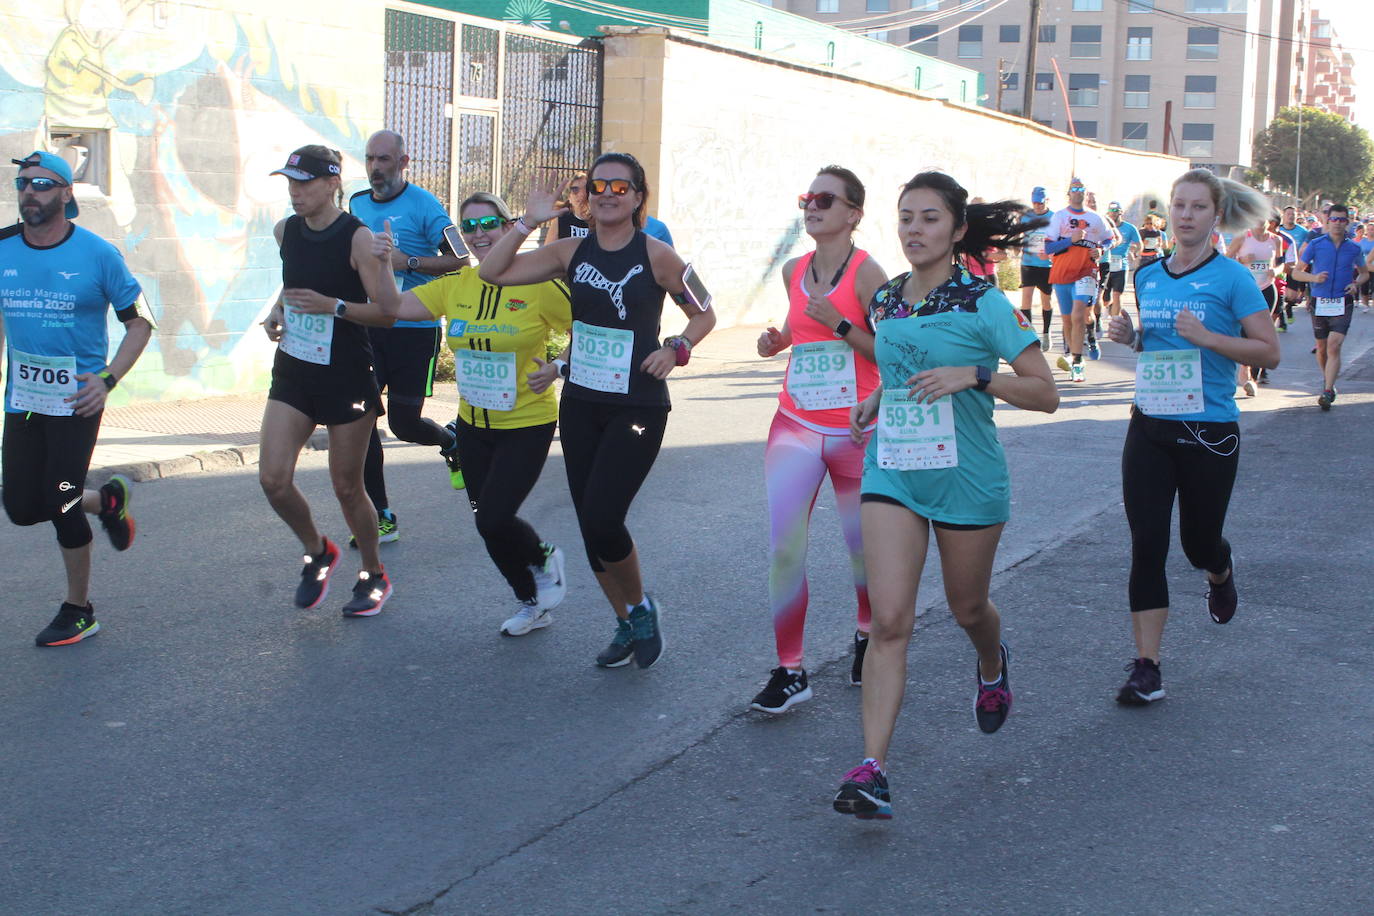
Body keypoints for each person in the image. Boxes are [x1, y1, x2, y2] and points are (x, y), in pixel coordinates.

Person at [832, 172, 1058, 819]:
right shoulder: (888, 300)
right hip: (895, 469)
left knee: (967, 608)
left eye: (929, 218)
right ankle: (873, 768)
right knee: (888, 620)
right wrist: (879, 396)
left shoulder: (985, 303)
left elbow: (1045, 393)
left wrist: (977, 376)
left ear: (958, 230)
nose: (913, 229)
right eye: (906, 217)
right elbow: (900, 365)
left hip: (967, 476)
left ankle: (992, 658)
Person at [478, 152, 716, 669]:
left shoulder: (658, 255)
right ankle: (626, 621)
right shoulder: (570, 251)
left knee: (606, 517)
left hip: (638, 402)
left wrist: (677, 346)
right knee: (590, 526)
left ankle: (642, 610)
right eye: (598, 186)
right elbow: (492, 274)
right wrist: (525, 222)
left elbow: (704, 311)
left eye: (619, 187)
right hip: (582, 402)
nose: (607, 194)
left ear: (637, 197)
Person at [297, 192, 573, 635]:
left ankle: (542, 557)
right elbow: (393, 308)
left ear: (507, 228)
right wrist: (386, 264)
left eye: (488, 225)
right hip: (472, 426)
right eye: (470, 227)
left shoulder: (539, 283)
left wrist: (559, 366)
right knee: (487, 522)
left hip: (526, 422)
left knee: (494, 516)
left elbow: (589, 324)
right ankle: (529, 601)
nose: (479, 235)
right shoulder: (456, 285)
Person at [1106, 169, 1279, 706]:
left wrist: (1209, 338)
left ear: (1215, 216)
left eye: (1197, 207)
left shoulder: (1233, 278)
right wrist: (1132, 337)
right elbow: (1157, 345)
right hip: (1150, 425)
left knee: (1197, 542)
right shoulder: (1148, 274)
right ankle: (1147, 667)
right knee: (1147, 545)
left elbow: (1268, 351)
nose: (1185, 215)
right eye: (1179, 205)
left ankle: (1219, 571)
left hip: (1209, 429)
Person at [1, 151, 155, 646]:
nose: (30, 192)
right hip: (23, 399)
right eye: (23, 182)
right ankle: (107, 501)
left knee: (61, 501)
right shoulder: (2, 247)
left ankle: (79, 608)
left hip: (76, 401)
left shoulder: (99, 254)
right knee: (23, 507)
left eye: (43, 184)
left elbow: (139, 322)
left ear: (67, 194)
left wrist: (107, 380)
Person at [750, 166, 888, 714]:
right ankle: (790, 671)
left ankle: (866, 631)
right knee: (785, 548)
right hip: (796, 424)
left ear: (853, 213)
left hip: (856, 429)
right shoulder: (794, 269)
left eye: (826, 199)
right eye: (808, 197)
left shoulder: (868, 274)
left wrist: (838, 325)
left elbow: (891, 353)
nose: (812, 206)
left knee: (862, 553)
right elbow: (797, 329)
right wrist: (775, 340)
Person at [259, 145, 400, 618]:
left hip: (345, 374)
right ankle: (318, 550)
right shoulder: (286, 231)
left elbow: (388, 313)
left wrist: (336, 304)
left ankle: (375, 575)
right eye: (290, 183)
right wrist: (278, 311)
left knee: (346, 486)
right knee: (273, 480)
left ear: (332, 183)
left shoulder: (357, 239)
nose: (295, 193)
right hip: (295, 368)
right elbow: (293, 283)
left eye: (304, 183)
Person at [348, 130, 468, 548]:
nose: (375, 167)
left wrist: (408, 260)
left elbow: (461, 258)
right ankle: (381, 514)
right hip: (368, 328)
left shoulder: (424, 205)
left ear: (403, 162)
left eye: (384, 159)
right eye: (369, 159)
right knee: (361, 420)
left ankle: (450, 441)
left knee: (404, 424)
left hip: (414, 332)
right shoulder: (356, 204)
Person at [1289, 203, 1368, 410]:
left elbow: (1365, 273)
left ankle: (1327, 390)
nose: (1338, 224)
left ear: (1347, 223)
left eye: (1342, 220)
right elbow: (1296, 272)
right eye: (1334, 219)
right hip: (1320, 301)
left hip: (1343, 301)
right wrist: (1314, 277)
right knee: (1322, 349)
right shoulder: (1316, 245)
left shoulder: (1354, 248)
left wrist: (1356, 283)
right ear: (1327, 220)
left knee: (1334, 345)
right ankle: (1329, 383)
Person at [1046, 177, 1113, 381]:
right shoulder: (1059, 216)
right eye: (1074, 188)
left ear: (1085, 193)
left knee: (1078, 315)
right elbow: (1048, 248)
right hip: (1062, 273)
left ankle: (1077, 361)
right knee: (1067, 320)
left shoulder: (1096, 217)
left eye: (1081, 188)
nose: (1078, 192)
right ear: (1069, 193)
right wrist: (1070, 240)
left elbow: (1110, 238)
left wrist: (1101, 249)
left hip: (1087, 271)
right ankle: (1074, 351)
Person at [1226, 218, 1285, 392]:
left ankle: (1254, 376)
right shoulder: (1243, 237)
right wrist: (1242, 260)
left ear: (1270, 220)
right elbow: (1225, 262)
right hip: (1246, 287)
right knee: (1246, 330)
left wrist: (1277, 270)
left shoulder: (1276, 240)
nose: (1259, 221)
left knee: (1264, 332)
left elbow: (1282, 263)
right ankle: (1246, 370)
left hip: (1267, 288)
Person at [1018, 187, 1055, 352]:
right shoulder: (1026, 217)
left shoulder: (1054, 217)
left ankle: (1046, 332)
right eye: (1034, 202)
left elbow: (1058, 239)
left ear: (1047, 201)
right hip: (1028, 262)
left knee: (1046, 300)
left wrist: (1050, 253)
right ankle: (1029, 336)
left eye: (1040, 203)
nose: (1037, 206)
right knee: (1026, 298)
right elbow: (1018, 236)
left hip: (1045, 265)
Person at [1103, 201, 1141, 320]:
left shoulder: (1130, 228)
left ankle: (1115, 322)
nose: (1113, 214)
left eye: (1116, 211)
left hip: (1121, 265)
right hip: (1105, 264)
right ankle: (1109, 307)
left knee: (1117, 294)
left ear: (1121, 212)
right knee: (1105, 298)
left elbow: (1139, 244)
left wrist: (1134, 252)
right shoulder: (1104, 226)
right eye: (1111, 211)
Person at [554, 171, 591, 240]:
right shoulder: (561, 220)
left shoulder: (600, 221)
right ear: (569, 198)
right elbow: (548, 249)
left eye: (586, 189)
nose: (581, 194)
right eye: (575, 190)